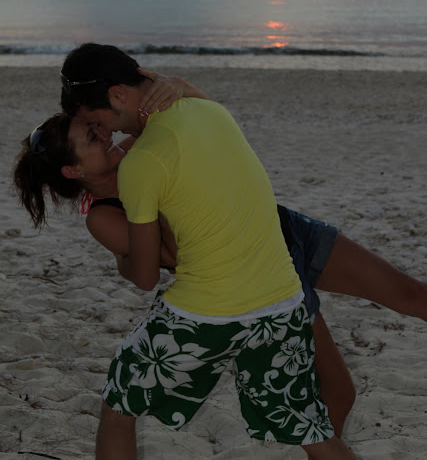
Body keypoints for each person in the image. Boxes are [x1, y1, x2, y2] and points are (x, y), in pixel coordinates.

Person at [14, 107, 427, 459]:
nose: (106, 134)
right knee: (338, 394)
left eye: (97, 126)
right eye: (91, 136)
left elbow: (181, 115)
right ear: (74, 170)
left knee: (411, 295)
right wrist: (147, 192)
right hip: (258, 268)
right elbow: (172, 258)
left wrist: (168, 93)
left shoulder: (134, 149)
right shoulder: (104, 215)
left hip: (279, 226)